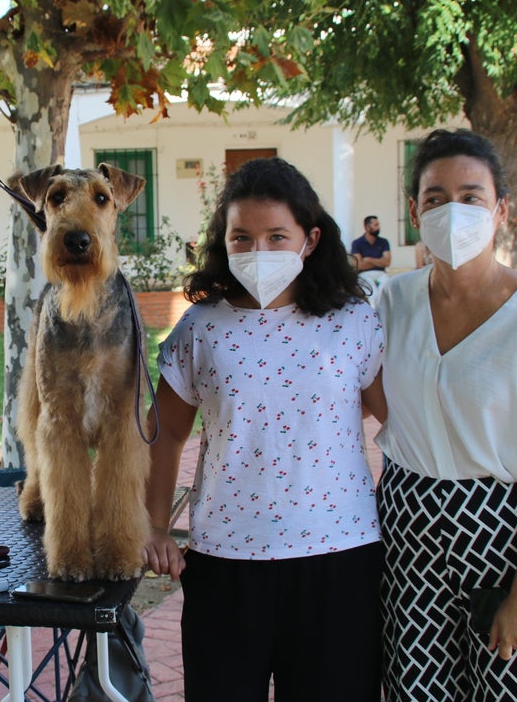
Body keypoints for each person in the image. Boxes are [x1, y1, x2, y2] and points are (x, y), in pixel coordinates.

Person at [374, 128, 517, 701]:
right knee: (418, 692)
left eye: (471, 197)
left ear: (501, 209)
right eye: (434, 198)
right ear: (413, 210)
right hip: (410, 539)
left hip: (505, 537)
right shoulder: (390, 303)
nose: (452, 212)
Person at [143, 157, 387, 701]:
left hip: (340, 560)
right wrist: (155, 527)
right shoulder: (201, 328)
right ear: (223, 243)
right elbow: (164, 435)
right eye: (242, 237)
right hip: (226, 563)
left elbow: (392, 418)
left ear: (310, 238)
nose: (260, 252)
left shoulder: (354, 321)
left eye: (278, 236)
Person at [351, 215, 391, 304]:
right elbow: (359, 265)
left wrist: (368, 259)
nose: (378, 227)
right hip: (364, 274)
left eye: (378, 225)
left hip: (381, 273)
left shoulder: (384, 242)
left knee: (387, 290)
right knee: (372, 294)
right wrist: (379, 261)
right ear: (367, 227)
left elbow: (387, 262)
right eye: (375, 225)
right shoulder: (357, 243)